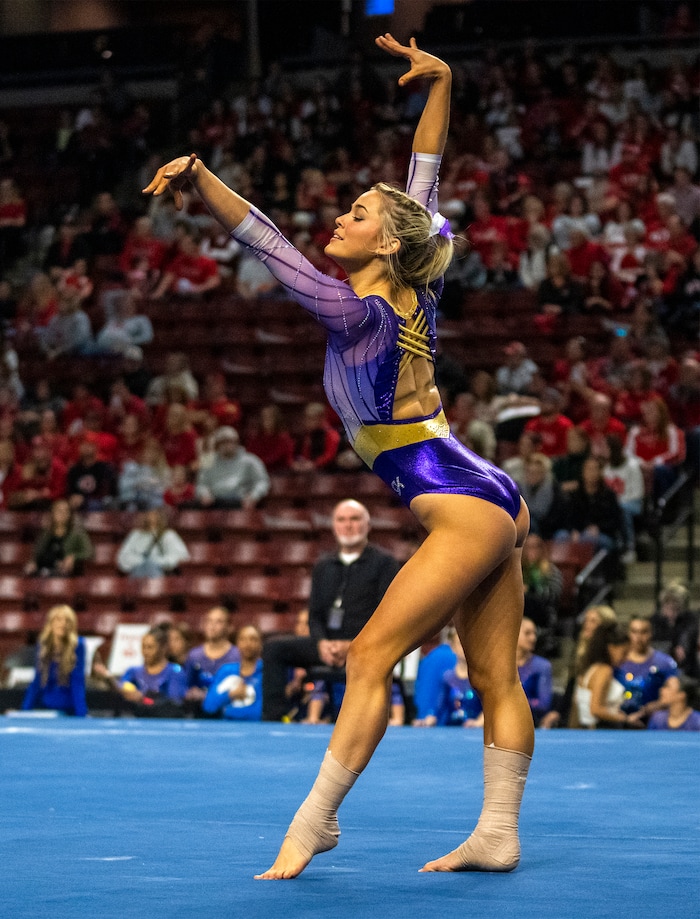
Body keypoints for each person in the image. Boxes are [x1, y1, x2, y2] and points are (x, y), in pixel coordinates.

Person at [145, 34, 533, 880]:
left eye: (356, 213)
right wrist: (444, 82)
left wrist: (201, 175)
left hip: (461, 504)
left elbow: (267, 240)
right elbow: (423, 172)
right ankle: (498, 832)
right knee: (493, 672)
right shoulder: (414, 279)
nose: (340, 218)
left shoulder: (354, 312)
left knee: (366, 656)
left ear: (386, 244)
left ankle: (313, 821)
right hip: (485, 491)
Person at [261, 499, 401, 721]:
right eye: (341, 520)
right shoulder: (323, 566)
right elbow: (314, 616)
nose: (348, 525)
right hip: (326, 645)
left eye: (355, 519)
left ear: (367, 525)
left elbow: (387, 617)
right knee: (273, 649)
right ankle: (274, 719)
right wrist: (321, 643)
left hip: (366, 646)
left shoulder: (385, 563)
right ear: (334, 526)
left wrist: (352, 645)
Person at [22, 605, 88, 716]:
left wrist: (82, 714)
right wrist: (24, 711)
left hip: (68, 708)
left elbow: (78, 682)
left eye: (67, 620)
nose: (62, 624)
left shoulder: (78, 645)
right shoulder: (43, 645)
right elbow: (37, 680)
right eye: (58, 619)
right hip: (44, 707)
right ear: (50, 623)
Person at [573, 621, 640, 729]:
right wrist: (624, 718)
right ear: (611, 647)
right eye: (624, 652)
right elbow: (595, 709)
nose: (626, 658)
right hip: (601, 732)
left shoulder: (591, 668)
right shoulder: (604, 671)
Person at [615, 617, 678, 721]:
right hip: (618, 721)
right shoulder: (617, 662)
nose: (638, 637)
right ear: (628, 634)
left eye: (643, 632)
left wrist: (654, 707)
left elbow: (675, 693)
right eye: (634, 632)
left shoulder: (664, 663)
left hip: (652, 720)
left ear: (651, 634)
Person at [195, 425, 270, 508]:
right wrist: (204, 494)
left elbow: (262, 481)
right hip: (214, 502)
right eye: (224, 442)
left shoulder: (251, 460)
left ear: (237, 442)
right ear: (218, 444)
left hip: (240, 501)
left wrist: (253, 496)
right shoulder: (208, 459)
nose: (228, 445)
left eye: (231, 441)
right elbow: (201, 484)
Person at [202, 625, 264, 721]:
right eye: (243, 639)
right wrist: (231, 695)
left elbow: (261, 712)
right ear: (237, 644)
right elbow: (209, 706)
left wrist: (227, 711)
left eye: (253, 639)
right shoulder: (226, 670)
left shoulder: (266, 672)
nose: (247, 644)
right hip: (226, 730)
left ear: (261, 644)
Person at [24, 497, 93, 578]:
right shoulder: (46, 533)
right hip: (42, 572)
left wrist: (73, 557)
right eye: (59, 510)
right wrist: (33, 563)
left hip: (63, 573)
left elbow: (89, 552)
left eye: (66, 511)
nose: (62, 513)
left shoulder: (77, 533)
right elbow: (37, 554)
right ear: (52, 513)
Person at [184, 605, 241, 702]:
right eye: (209, 621)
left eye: (219, 622)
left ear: (229, 627)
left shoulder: (237, 656)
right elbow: (186, 686)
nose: (212, 625)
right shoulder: (194, 655)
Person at [116, 507, 190, 577]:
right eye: (148, 514)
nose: (151, 516)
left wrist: (156, 562)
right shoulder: (135, 535)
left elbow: (181, 556)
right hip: (137, 569)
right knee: (144, 567)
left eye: (154, 514)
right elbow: (123, 558)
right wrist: (142, 562)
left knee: (151, 567)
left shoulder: (168, 535)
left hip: (162, 572)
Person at [516, 618, 553, 727]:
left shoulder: (542, 666)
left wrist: (511, 704)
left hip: (532, 723)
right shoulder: (501, 663)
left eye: (534, 633)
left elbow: (543, 703)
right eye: (527, 633)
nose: (533, 638)